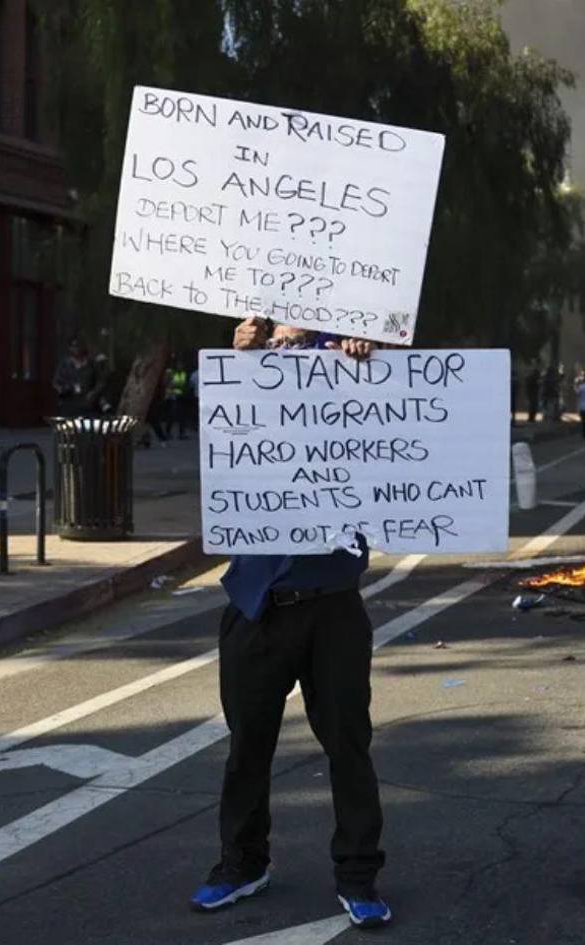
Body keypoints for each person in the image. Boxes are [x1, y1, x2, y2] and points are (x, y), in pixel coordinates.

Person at [189, 317, 391, 930]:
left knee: (348, 746)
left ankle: (358, 876)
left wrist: (364, 367)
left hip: (332, 606)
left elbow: (391, 439)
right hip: (258, 604)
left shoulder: (355, 367)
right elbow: (211, 412)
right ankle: (242, 863)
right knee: (248, 747)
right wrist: (240, 361)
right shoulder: (243, 368)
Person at [52, 338, 104, 418]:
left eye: (79, 345)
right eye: (74, 346)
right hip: (69, 405)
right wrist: (69, 388)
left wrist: (94, 393)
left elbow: (100, 381)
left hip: (89, 405)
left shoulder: (91, 364)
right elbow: (57, 383)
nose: (77, 348)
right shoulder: (64, 365)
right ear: (70, 348)